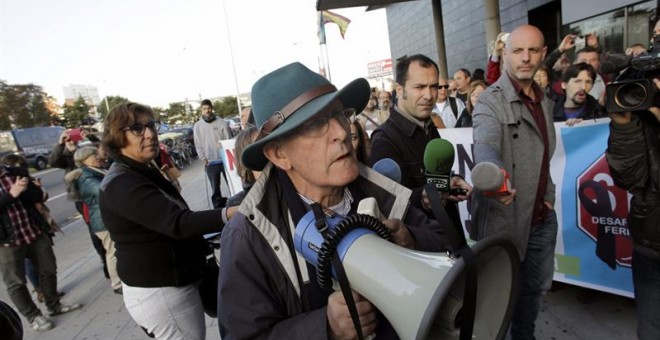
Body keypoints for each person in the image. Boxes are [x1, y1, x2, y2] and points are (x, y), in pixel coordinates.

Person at [217, 62, 448, 339]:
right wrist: (324, 328)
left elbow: (446, 252)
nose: (341, 131)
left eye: (340, 114)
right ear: (279, 155)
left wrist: (411, 240)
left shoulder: (385, 195)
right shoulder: (249, 236)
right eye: (316, 124)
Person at [99, 102, 227, 340]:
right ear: (118, 136)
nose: (149, 134)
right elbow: (178, 222)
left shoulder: (140, 170)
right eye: (137, 128)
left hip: (174, 284)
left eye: (151, 126)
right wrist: (230, 214)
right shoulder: (122, 183)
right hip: (163, 293)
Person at [471, 24, 557, 340]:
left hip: (541, 221)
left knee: (531, 300)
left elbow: (545, 156)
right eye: (518, 51)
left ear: (543, 55)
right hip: (503, 225)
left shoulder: (543, 99)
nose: (525, 58)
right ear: (505, 55)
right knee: (499, 308)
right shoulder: (489, 101)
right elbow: (486, 144)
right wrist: (492, 174)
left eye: (533, 51)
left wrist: (549, 196)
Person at [369, 54, 472, 227]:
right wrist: (423, 199)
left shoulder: (428, 126)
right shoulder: (384, 140)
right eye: (419, 87)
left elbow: (430, 178)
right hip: (421, 247)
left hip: (449, 237)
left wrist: (449, 182)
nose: (429, 95)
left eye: (433, 87)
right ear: (400, 90)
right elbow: (388, 206)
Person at [0, 160, 81, 332]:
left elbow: (37, 197)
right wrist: (11, 194)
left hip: (33, 231)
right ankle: (34, 316)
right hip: (6, 242)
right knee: (16, 282)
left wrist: (29, 188)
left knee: (48, 269)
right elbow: (9, 198)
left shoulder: (16, 172)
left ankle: (54, 305)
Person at [607, 77, 660, 340]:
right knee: (650, 332)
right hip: (650, 246)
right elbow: (627, 179)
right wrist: (624, 126)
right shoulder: (644, 117)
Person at [50, 129, 108, 279]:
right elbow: (54, 161)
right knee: (97, 228)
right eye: (69, 138)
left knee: (105, 227)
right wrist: (60, 144)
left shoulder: (86, 149)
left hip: (97, 192)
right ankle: (105, 260)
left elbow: (101, 151)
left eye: (73, 138)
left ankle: (110, 258)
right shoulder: (67, 157)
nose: (72, 140)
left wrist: (89, 136)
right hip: (83, 199)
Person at [74, 146, 122, 295]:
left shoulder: (97, 170)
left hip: (109, 217)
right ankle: (117, 283)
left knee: (117, 249)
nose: (97, 156)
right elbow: (103, 190)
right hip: (102, 221)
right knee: (112, 251)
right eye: (93, 154)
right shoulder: (85, 176)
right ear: (84, 159)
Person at [193, 99, 232, 208]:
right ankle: (218, 212)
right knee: (215, 190)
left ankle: (237, 205)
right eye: (204, 109)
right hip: (210, 163)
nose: (207, 111)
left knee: (232, 185)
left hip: (225, 160)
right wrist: (203, 158)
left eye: (209, 108)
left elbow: (228, 139)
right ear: (201, 110)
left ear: (212, 108)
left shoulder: (221, 122)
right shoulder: (198, 126)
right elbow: (198, 143)